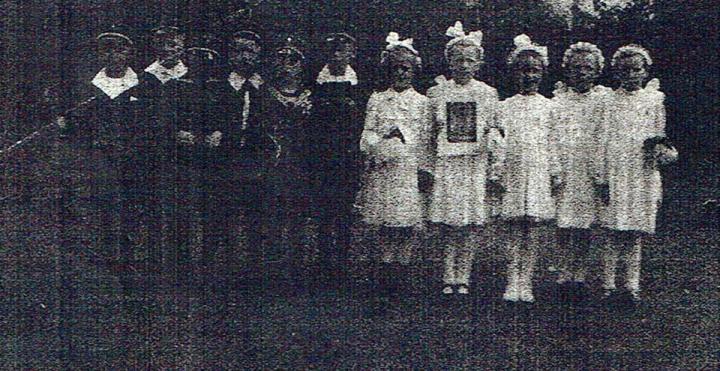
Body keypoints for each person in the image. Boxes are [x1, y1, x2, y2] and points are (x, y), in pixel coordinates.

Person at [58, 26, 150, 301]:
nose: (114, 55)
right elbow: (76, 124)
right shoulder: (90, 87)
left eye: (120, 49)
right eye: (108, 49)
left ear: (130, 53)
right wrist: (67, 124)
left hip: (135, 157)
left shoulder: (143, 84)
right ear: (101, 54)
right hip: (102, 156)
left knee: (133, 205)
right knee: (106, 203)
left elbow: (151, 122)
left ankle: (132, 254)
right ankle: (109, 255)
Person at [355, 32, 431, 311]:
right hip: (384, 168)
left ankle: (403, 268)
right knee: (387, 223)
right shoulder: (377, 99)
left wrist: (424, 167)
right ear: (388, 70)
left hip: (409, 169)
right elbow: (366, 135)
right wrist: (381, 140)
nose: (401, 72)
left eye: (406, 68)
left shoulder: (422, 102)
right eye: (396, 68)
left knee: (406, 223)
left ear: (414, 71)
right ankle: (387, 271)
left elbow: (426, 140)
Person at [597, 44, 678, 303]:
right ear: (616, 72)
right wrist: (602, 177)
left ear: (645, 72)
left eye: (636, 70)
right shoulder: (608, 100)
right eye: (624, 70)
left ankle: (631, 284)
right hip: (616, 169)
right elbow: (602, 139)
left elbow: (659, 134)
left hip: (641, 171)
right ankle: (608, 283)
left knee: (634, 231)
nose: (630, 75)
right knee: (613, 230)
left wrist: (660, 150)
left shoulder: (654, 99)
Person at [426, 21, 501, 296]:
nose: (463, 66)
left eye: (469, 61)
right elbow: (428, 132)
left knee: (469, 222)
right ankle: (448, 273)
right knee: (448, 221)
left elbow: (494, 127)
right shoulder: (436, 93)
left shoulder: (487, 93)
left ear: (478, 64)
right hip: (447, 163)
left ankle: (464, 274)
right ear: (449, 62)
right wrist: (428, 166)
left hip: (474, 162)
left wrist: (492, 141)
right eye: (458, 60)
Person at [205, 28, 274, 296]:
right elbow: (206, 118)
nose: (244, 57)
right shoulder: (217, 85)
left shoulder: (264, 87)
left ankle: (253, 274)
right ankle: (212, 271)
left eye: (250, 51)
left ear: (258, 55)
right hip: (224, 160)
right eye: (238, 51)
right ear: (230, 55)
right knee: (218, 216)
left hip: (255, 161)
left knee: (255, 218)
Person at [497, 35, 560, 303]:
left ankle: (528, 280)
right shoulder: (503, 107)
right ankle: (513, 280)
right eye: (523, 70)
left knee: (532, 229)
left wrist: (555, 173)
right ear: (514, 73)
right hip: (513, 170)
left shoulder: (550, 107)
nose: (529, 76)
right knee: (513, 227)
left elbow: (554, 142)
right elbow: (497, 143)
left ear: (543, 73)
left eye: (534, 70)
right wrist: (497, 172)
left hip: (538, 171)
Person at [551, 42, 610, 297]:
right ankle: (565, 270)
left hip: (590, 165)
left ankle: (580, 272)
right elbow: (551, 134)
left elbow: (608, 135)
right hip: (566, 163)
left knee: (584, 223)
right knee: (564, 223)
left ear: (597, 71)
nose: (581, 73)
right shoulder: (558, 100)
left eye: (588, 68)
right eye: (576, 69)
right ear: (567, 71)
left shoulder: (605, 99)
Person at [259, 35, 316, 290]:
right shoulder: (265, 92)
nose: (287, 66)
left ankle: (297, 269)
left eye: (293, 60)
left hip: (301, 160)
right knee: (273, 215)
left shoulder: (310, 93)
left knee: (297, 216)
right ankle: (272, 270)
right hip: (274, 161)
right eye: (281, 60)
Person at [310, 32, 366, 285]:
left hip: (347, 155)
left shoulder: (360, 83)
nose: (336, 56)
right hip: (320, 155)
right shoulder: (314, 81)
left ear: (351, 53)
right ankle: (322, 262)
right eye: (332, 51)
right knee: (323, 211)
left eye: (342, 51)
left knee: (344, 211)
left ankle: (342, 263)